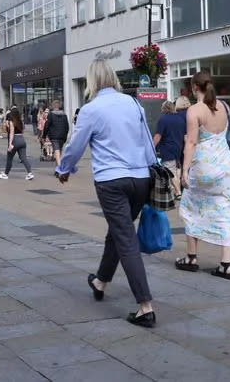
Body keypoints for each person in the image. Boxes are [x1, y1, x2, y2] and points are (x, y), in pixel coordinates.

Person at [56, 60, 157, 328]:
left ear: (91, 81)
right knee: (119, 230)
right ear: (113, 78)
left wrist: (64, 168)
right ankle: (100, 280)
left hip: (111, 181)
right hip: (140, 178)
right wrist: (153, 170)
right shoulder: (133, 103)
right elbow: (146, 140)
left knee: (125, 238)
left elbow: (75, 145)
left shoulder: (91, 110)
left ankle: (145, 306)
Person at [177, 72, 230, 279]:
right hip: (224, 167)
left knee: (190, 207)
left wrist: (184, 171)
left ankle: (191, 257)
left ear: (194, 87)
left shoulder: (194, 111)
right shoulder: (224, 107)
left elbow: (191, 142)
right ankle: (226, 264)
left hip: (203, 166)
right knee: (228, 209)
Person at [153, 101, 185, 198]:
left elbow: (158, 136)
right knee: (177, 169)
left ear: (164, 108)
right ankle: (176, 190)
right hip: (179, 148)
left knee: (170, 170)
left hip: (167, 149)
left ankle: (178, 192)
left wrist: (151, 147)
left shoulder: (163, 119)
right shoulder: (180, 119)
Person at [0, 109, 34, 180]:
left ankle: (6, 174)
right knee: (23, 158)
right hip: (22, 139)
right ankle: (30, 173)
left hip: (15, 139)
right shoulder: (21, 122)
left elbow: (11, 133)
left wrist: (10, 143)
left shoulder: (12, 122)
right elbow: (22, 131)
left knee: (9, 158)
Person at [43, 100, 69, 169]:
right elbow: (67, 127)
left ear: (53, 106)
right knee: (59, 152)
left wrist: (44, 136)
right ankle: (57, 169)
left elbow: (47, 125)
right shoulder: (64, 115)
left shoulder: (51, 114)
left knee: (57, 152)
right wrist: (65, 136)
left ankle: (60, 169)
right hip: (62, 136)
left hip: (54, 136)